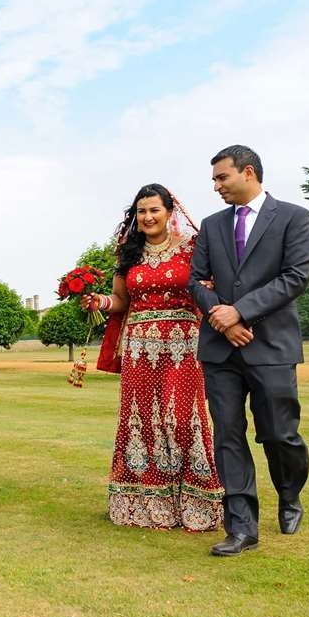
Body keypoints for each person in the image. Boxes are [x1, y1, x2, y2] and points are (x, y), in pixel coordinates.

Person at [188, 145, 309, 556]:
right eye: (214, 179)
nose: (216, 186)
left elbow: (295, 277)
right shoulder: (210, 226)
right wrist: (223, 320)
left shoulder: (294, 218)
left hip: (272, 346)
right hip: (219, 351)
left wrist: (241, 312)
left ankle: (290, 493)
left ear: (248, 172)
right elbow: (196, 281)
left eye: (221, 178)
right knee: (228, 437)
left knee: (280, 435)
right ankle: (241, 527)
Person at [82, 184, 224, 531]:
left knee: (181, 418)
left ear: (169, 212)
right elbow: (121, 302)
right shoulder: (128, 253)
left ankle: (197, 505)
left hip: (184, 344)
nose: (147, 217)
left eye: (154, 210)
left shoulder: (193, 248)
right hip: (139, 347)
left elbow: (215, 285)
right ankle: (142, 504)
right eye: (141, 211)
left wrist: (211, 289)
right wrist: (98, 302)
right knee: (141, 419)